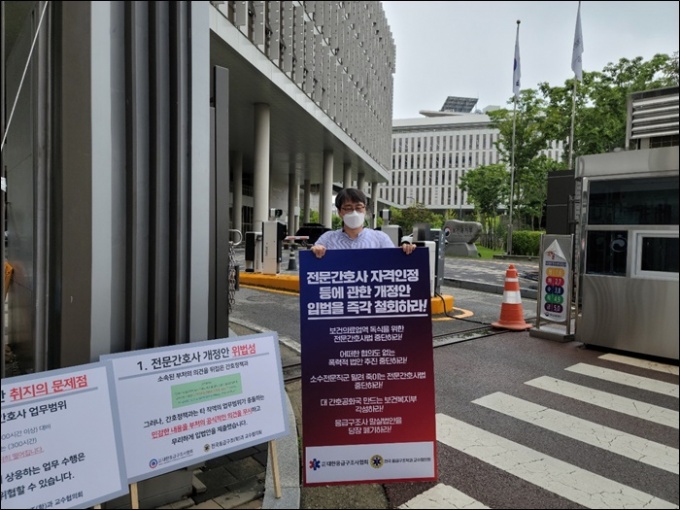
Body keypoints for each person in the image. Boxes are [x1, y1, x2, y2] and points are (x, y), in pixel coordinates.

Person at [310, 188, 416, 258]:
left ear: (365, 210)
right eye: (348, 208)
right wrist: (315, 251)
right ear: (339, 212)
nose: (354, 212)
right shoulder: (327, 239)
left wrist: (406, 252)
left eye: (358, 207)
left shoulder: (380, 238)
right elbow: (311, 264)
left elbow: (393, 263)